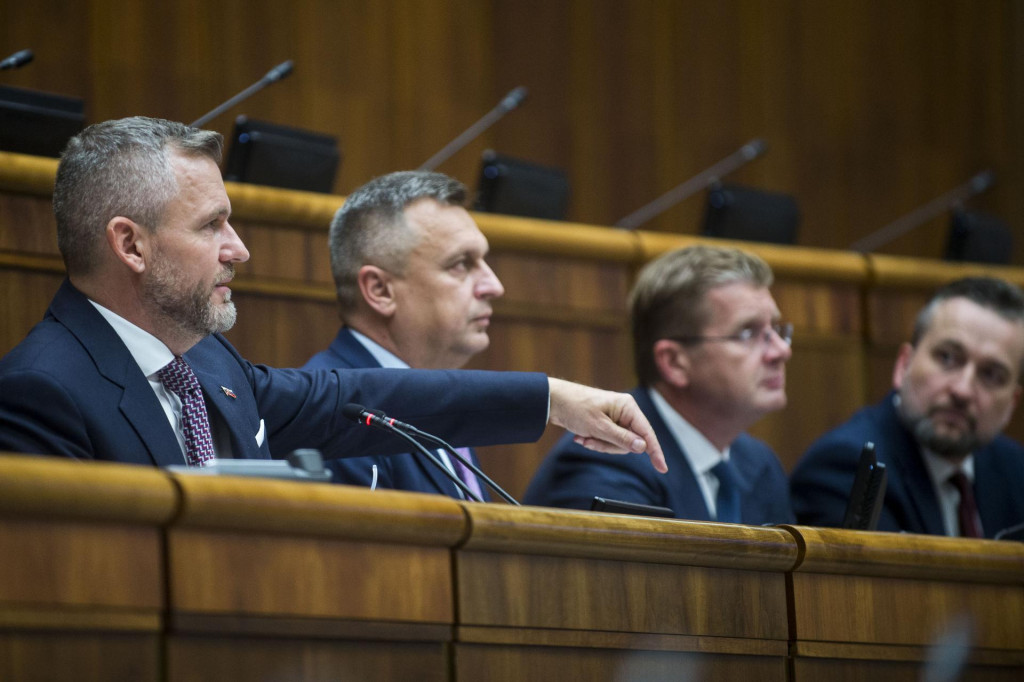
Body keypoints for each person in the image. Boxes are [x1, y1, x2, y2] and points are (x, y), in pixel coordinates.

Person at [0, 116, 668, 475]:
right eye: (211, 226)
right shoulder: (40, 393)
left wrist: (552, 400)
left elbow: (364, 399)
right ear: (131, 245)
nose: (239, 249)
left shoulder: (209, 363)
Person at [524, 245, 794, 524]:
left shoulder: (760, 464)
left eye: (776, 330)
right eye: (747, 333)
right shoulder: (607, 459)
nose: (781, 351)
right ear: (674, 362)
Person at [304, 170, 504, 498]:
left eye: (484, 261)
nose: (494, 286)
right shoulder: (335, 415)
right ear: (380, 290)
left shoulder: (437, 397)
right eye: (461, 264)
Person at [791, 277, 1024, 538]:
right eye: (947, 357)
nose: (962, 390)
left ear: (1012, 402)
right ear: (904, 365)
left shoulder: (1016, 470)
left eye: (991, 375)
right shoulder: (846, 467)